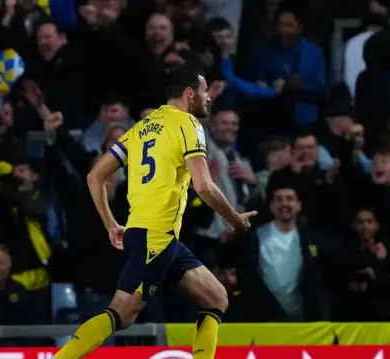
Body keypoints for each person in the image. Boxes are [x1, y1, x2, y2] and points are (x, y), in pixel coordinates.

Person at [51, 64, 257, 359]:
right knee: (121, 314)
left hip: (154, 235)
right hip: (156, 238)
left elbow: (94, 175)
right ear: (189, 94)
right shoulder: (188, 125)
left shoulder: (142, 127)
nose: (208, 98)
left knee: (216, 298)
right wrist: (235, 219)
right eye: (204, 91)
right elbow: (204, 186)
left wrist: (111, 224)